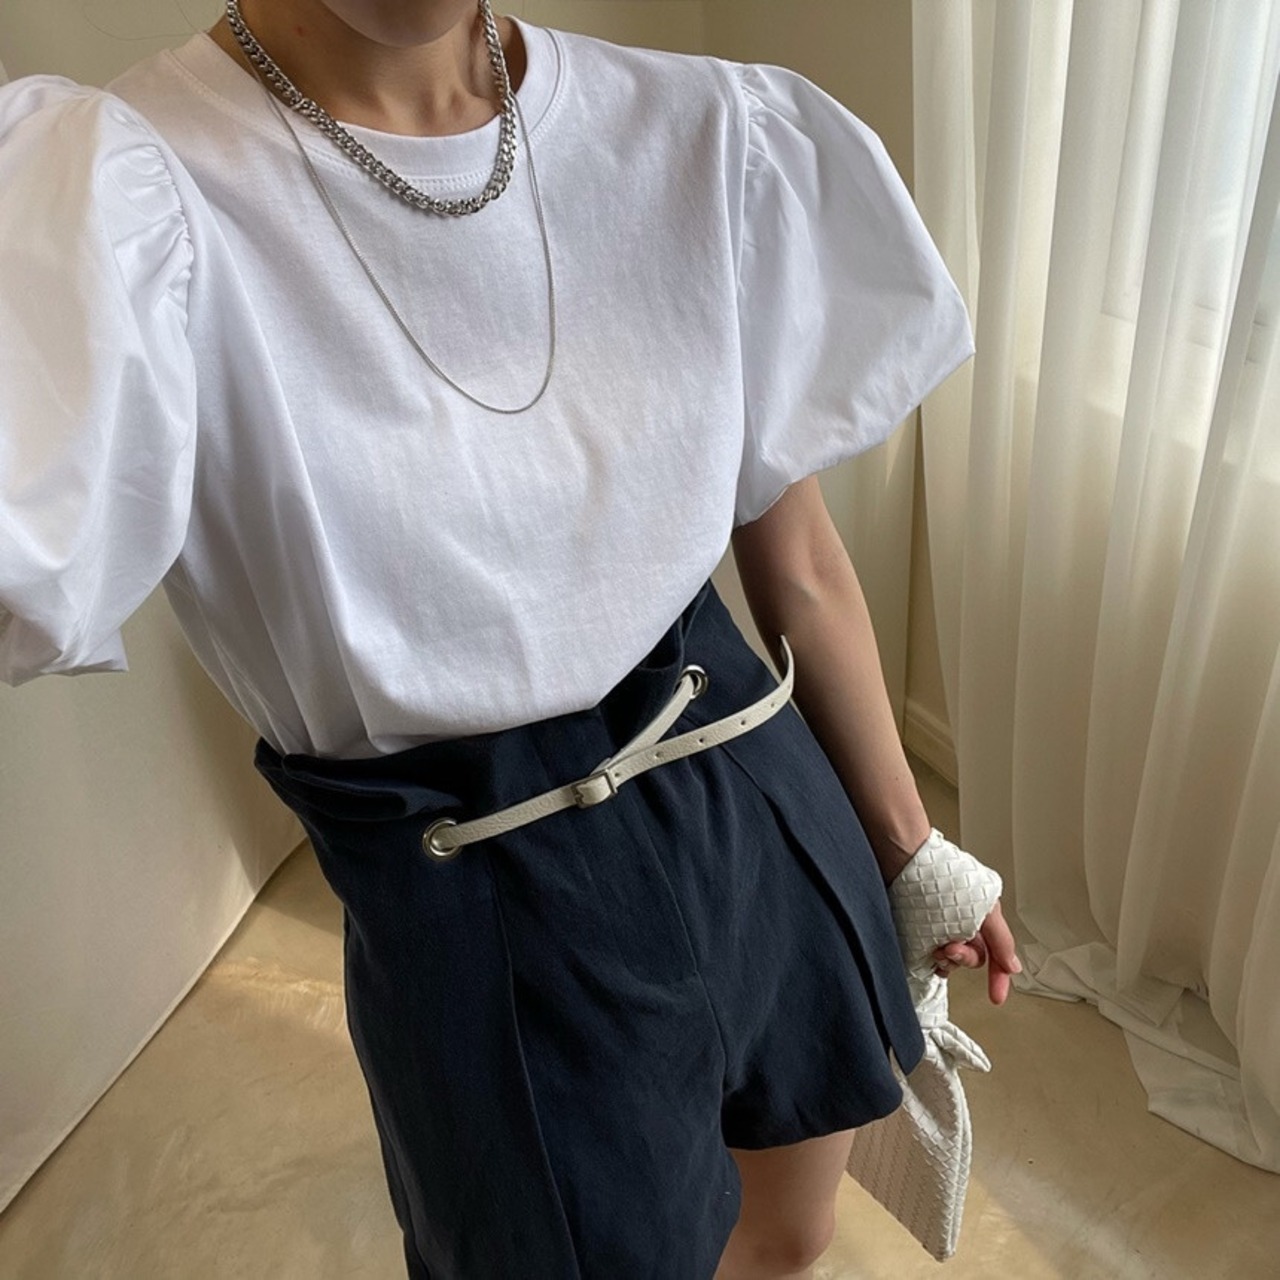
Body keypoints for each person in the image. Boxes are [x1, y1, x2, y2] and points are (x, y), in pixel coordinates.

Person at [0, 2, 1019, 1276]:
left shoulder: (699, 131)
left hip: (755, 801)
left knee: (787, 1232)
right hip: (481, 899)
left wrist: (910, 849)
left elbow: (798, 559)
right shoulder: (120, 199)